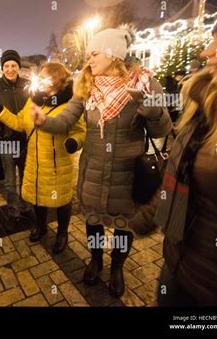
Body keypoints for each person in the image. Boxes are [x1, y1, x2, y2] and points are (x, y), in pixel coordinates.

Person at [31, 28, 172, 297]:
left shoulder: (144, 83)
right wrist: (44, 121)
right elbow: (66, 119)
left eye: (94, 54)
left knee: (123, 225)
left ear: (113, 53)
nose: (89, 60)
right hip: (93, 170)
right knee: (93, 220)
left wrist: (153, 111)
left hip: (127, 173)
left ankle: (116, 266)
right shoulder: (86, 86)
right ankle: (96, 260)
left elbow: (161, 130)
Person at [131, 0, 217, 306]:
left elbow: (161, 128)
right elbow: (177, 176)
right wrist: (143, 220)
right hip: (179, 267)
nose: (206, 52)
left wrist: (148, 107)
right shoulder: (204, 107)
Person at [0, 63, 86, 253]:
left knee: (62, 200)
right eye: (40, 76)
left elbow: (80, 131)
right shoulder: (34, 100)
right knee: (37, 197)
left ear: (58, 80)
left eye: (45, 77)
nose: (40, 80)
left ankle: (62, 233)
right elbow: (20, 123)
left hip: (57, 163)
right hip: (34, 161)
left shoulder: (70, 103)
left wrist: (73, 142)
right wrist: (1, 112)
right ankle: (42, 227)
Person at [0, 49, 34, 232]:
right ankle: (13, 212)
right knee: (10, 182)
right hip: (6, 143)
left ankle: (26, 208)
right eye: (6, 66)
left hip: (26, 141)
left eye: (14, 65)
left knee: (27, 178)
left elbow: (36, 109)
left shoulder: (28, 86)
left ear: (19, 67)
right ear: (2, 68)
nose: (10, 69)